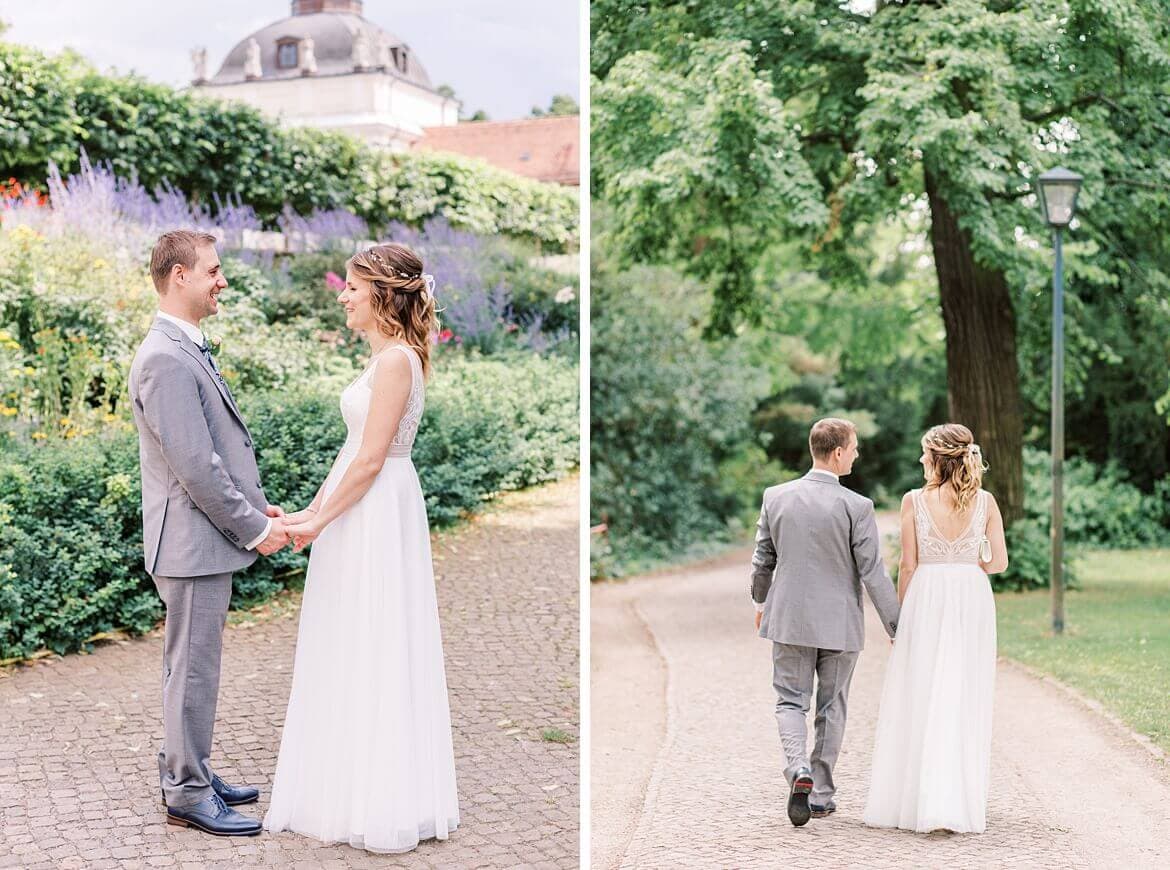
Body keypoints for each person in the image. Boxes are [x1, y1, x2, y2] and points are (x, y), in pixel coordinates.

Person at [263, 243, 460, 852]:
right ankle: (345, 786)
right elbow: (352, 452)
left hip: (377, 512)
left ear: (381, 294)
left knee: (374, 639)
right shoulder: (385, 359)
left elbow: (373, 458)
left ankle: (378, 799)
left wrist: (319, 523)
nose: (342, 296)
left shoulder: (398, 361)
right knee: (349, 639)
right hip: (362, 506)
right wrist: (306, 515)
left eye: (352, 286)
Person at [128, 230, 288, 837]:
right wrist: (253, 529)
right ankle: (188, 792)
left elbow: (213, 451)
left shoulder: (182, 347)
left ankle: (187, 766)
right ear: (179, 277)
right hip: (191, 545)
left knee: (188, 666)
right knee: (193, 669)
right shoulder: (166, 357)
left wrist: (258, 505)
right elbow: (196, 467)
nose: (222, 280)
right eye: (213, 271)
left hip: (198, 539)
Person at [750, 418, 900, 827]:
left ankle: (797, 768)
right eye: (854, 448)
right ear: (837, 453)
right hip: (839, 625)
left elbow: (763, 559)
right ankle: (820, 792)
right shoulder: (857, 506)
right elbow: (874, 573)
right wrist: (897, 626)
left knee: (789, 701)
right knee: (832, 708)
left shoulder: (775, 497)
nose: (857, 454)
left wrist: (760, 600)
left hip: (790, 620)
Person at [863, 423, 1008, 834]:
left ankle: (918, 800)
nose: (921, 459)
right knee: (962, 691)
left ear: (937, 458)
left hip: (926, 594)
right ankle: (955, 801)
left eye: (925, 453)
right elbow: (998, 563)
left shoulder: (913, 500)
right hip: (970, 595)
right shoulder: (986, 501)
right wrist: (968, 559)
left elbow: (907, 565)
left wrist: (899, 621)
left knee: (923, 688)